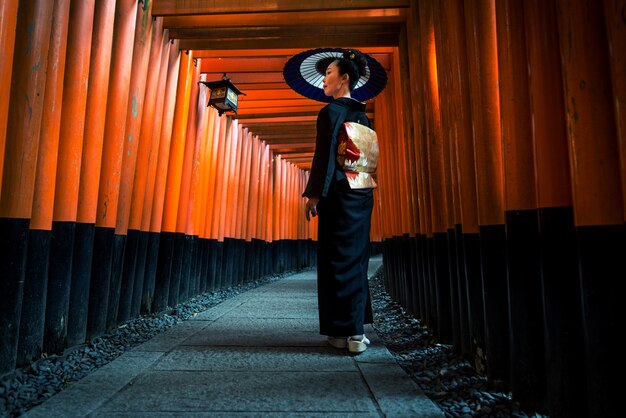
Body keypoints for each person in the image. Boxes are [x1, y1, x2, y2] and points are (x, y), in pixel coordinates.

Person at [302, 49, 375, 354]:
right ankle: (354, 333)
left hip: (337, 196)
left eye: (329, 73)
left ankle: (343, 330)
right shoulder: (362, 115)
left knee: (334, 262)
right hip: (360, 195)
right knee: (355, 261)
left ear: (344, 78)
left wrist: (314, 194)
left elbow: (324, 157)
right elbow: (365, 164)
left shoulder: (329, 112)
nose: (324, 79)